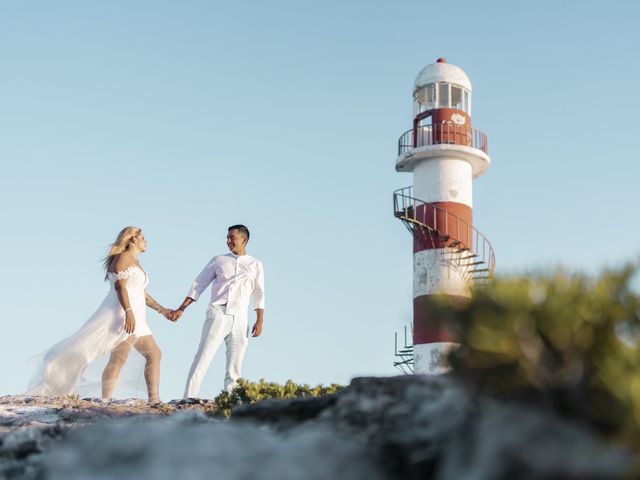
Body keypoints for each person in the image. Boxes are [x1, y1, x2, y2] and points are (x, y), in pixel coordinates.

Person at [26, 227, 174, 403]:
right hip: (123, 315)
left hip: (138, 318)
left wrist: (162, 310)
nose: (146, 241)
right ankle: (107, 400)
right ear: (133, 239)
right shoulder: (123, 258)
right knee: (119, 358)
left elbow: (140, 292)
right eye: (142, 237)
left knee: (154, 354)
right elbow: (120, 286)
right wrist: (128, 313)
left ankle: (154, 399)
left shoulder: (134, 261)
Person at [172, 224, 265, 397]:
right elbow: (198, 285)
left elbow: (259, 293)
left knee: (235, 364)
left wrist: (259, 320)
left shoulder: (256, 264)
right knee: (203, 356)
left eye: (232, 238)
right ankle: (189, 397)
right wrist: (181, 309)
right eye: (227, 237)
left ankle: (230, 401)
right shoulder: (218, 260)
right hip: (218, 313)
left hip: (241, 317)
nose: (228, 241)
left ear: (244, 240)